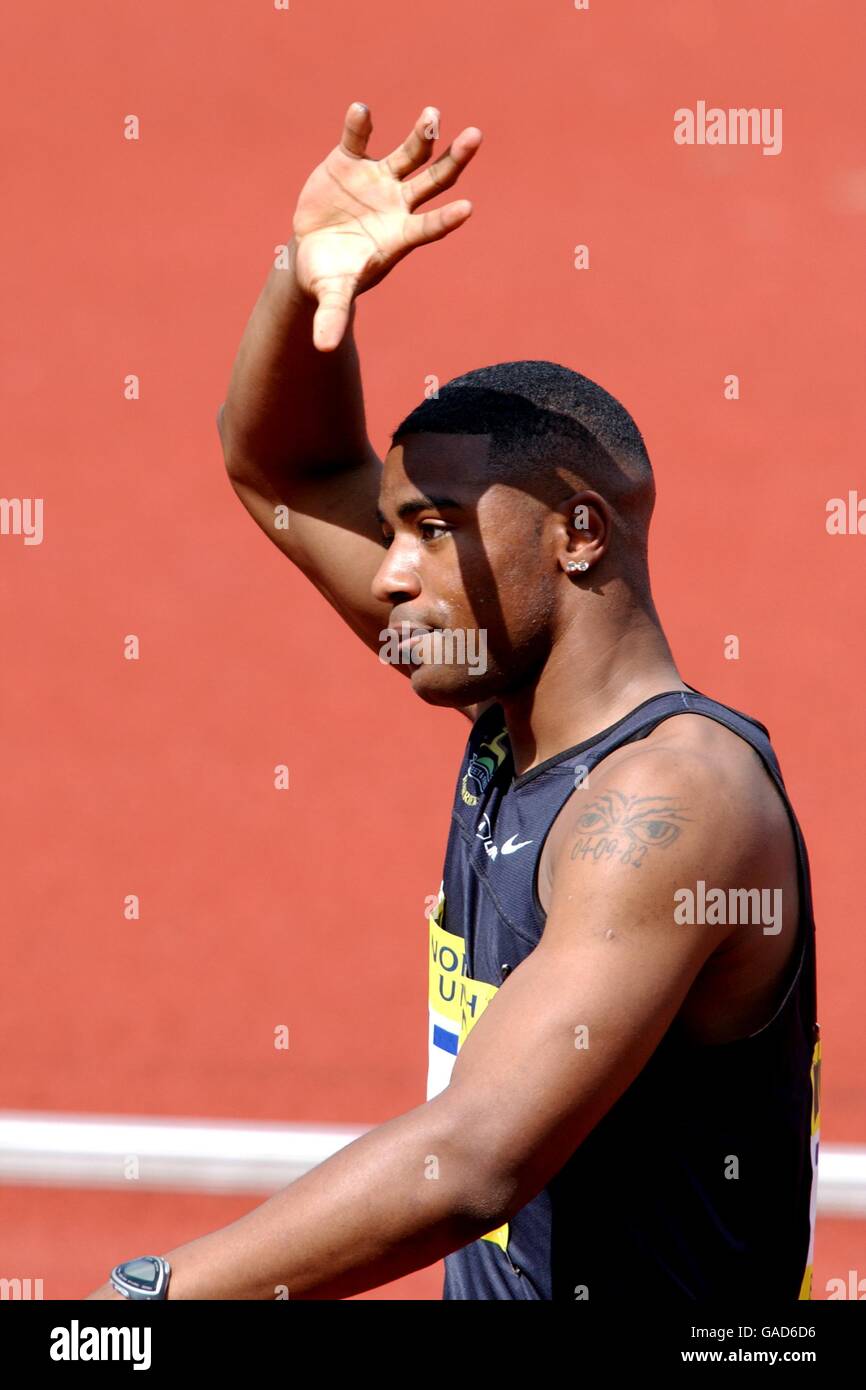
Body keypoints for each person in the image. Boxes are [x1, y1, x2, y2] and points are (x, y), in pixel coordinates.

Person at [88, 101, 820, 1301]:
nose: (387, 574)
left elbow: (472, 1159)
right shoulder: (513, 700)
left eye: (431, 529)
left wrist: (150, 1304)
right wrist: (303, 279)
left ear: (577, 536)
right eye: (389, 531)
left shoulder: (674, 801)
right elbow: (278, 470)